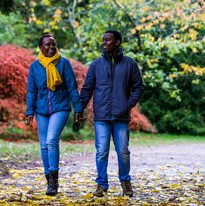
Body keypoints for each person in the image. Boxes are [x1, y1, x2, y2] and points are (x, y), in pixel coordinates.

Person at [80, 30, 144, 197]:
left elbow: (138, 87)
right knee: (101, 151)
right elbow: (87, 89)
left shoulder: (130, 64)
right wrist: (80, 108)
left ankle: (125, 183)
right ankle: (101, 184)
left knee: (123, 151)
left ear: (117, 42)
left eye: (108, 40)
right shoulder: (95, 65)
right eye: (103, 40)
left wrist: (128, 104)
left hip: (121, 117)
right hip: (101, 116)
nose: (104, 43)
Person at [25, 33, 84, 196]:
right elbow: (31, 90)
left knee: (51, 140)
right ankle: (48, 178)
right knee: (43, 144)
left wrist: (78, 108)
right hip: (41, 110)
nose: (51, 48)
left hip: (60, 108)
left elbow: (72, 87)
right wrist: (29, 110)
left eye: (53, 45)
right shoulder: (35, 67)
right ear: (40, 47)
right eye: (47, 45)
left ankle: (54, 179)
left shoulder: (64, 64)